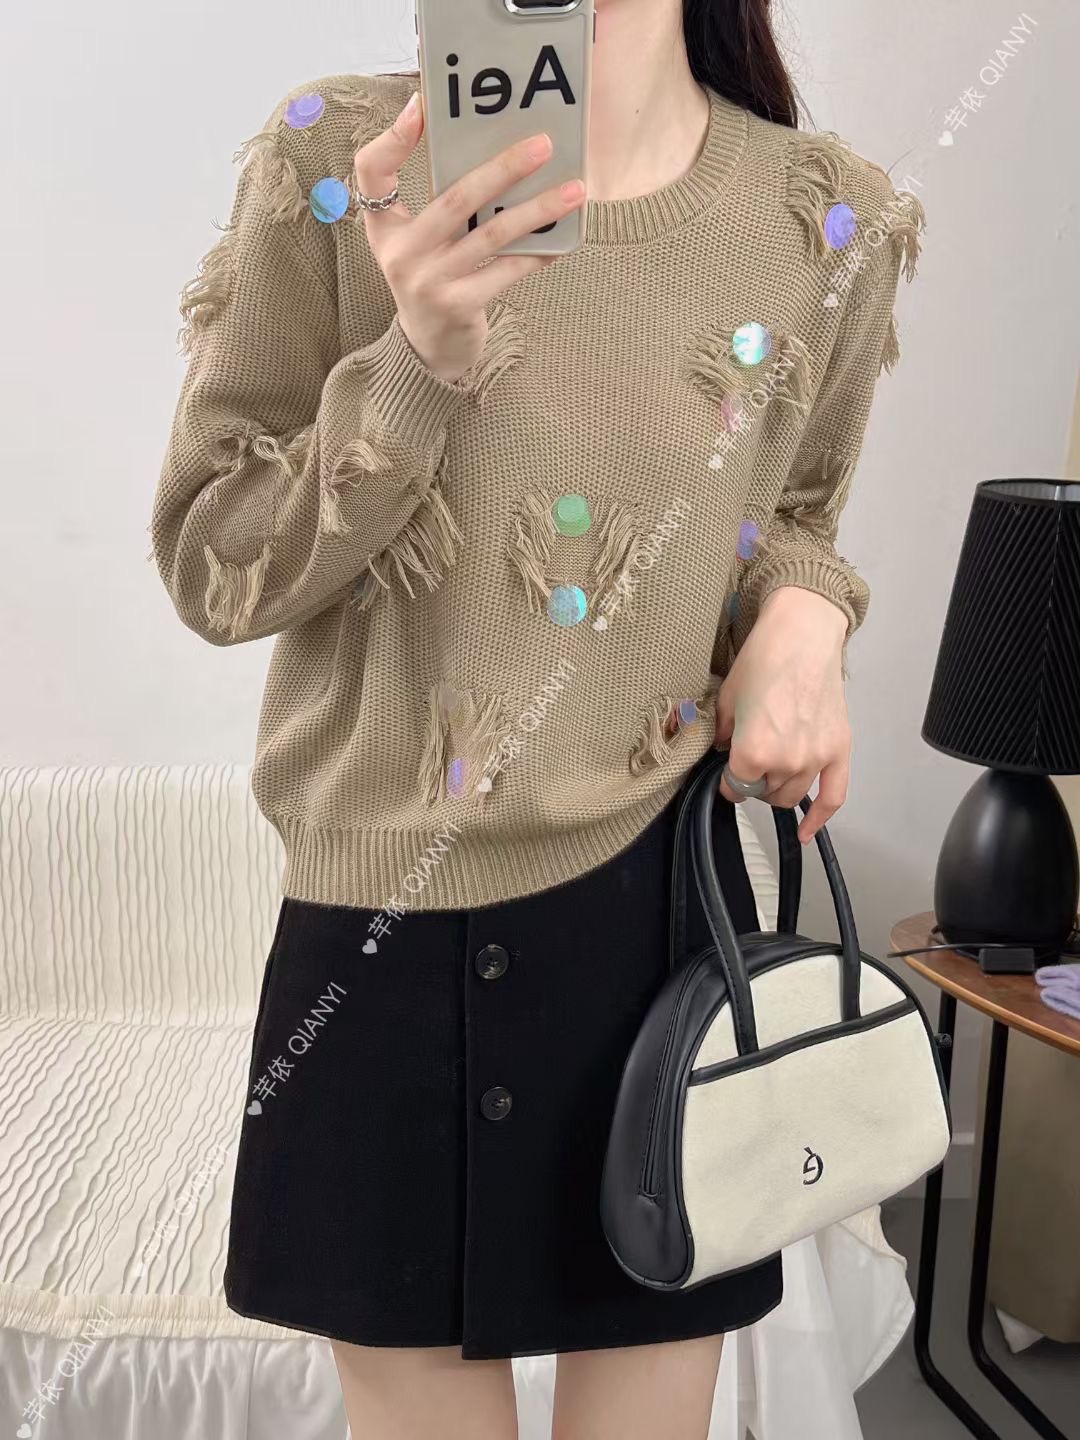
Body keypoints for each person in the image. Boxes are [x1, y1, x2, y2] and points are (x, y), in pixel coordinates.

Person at [149, 0, 923, 1434]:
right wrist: (416, 357)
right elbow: (213, 562)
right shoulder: (338, 164)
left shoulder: (826, 221)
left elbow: (793, 516)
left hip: (659, 926)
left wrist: (810, 622)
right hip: (375, 928)